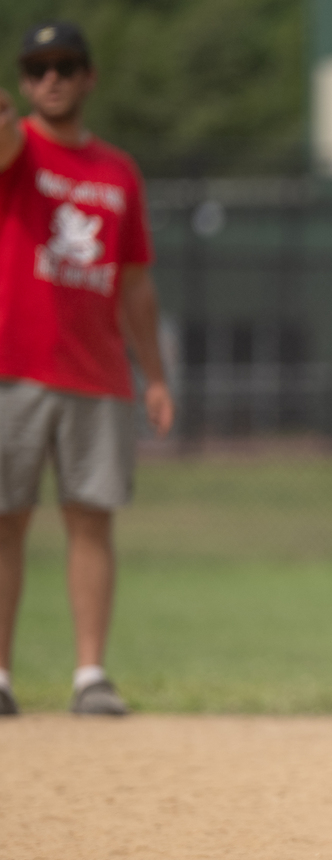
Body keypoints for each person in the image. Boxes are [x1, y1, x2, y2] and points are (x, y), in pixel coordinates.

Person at [0, 22, 173, 717]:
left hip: (97, 372)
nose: (53, 78)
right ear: (22, 82)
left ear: (89, 76)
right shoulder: (19, 153)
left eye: (67, 65)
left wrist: (155, 375)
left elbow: (135, 283)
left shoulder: (116, 171)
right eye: (39, 67)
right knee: (5, 521)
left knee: (90, 520)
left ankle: (89, 674)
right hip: (13, 367)